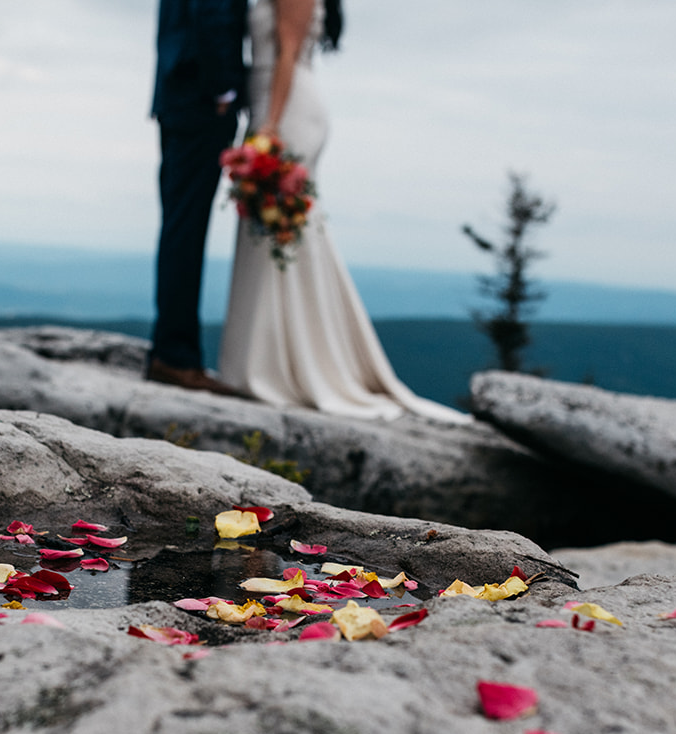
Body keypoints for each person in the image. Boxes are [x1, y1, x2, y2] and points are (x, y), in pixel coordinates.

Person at [218, 0, 469, 422]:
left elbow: (289, 51)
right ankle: (265, 361)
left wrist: (268, 129)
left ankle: (286, 365)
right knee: (273, 230)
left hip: (286, 110)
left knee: (285, 228)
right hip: (272, 105)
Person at [148, 0, 248, 396]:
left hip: (177, 95)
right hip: (199, 99)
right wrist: (222, 87)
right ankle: (174, 356)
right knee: (185, 230)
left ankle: (170, 348)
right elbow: (213, 11)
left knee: (178, 226)